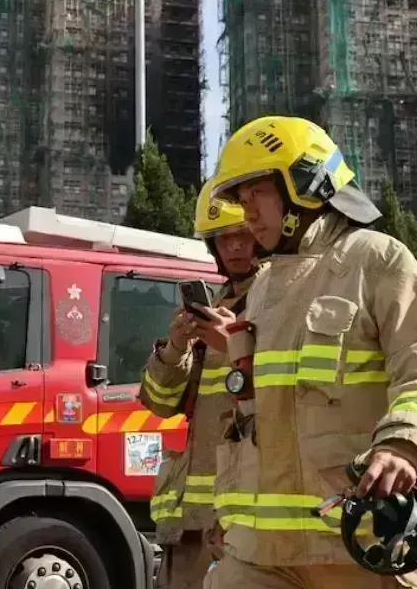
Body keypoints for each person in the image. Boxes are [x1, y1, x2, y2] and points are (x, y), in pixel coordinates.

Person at [198, 115, 417, 589]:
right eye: (240, 199)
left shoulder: (375, 259)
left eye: (256, 192)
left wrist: (401, 443)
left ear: (306, 182)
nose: (246, 212)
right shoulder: (262, 289)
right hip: (261, 551)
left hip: (358, 540)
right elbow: (253, 418)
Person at [140, 181, 265, 589]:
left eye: (243, 236)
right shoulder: (216, 308)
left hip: (247, 508)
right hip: (194, 516)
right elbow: (159, 403)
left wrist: (237, 345)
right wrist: (177, 347)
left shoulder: (277, 301)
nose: (234, 248)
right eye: (223, 239)